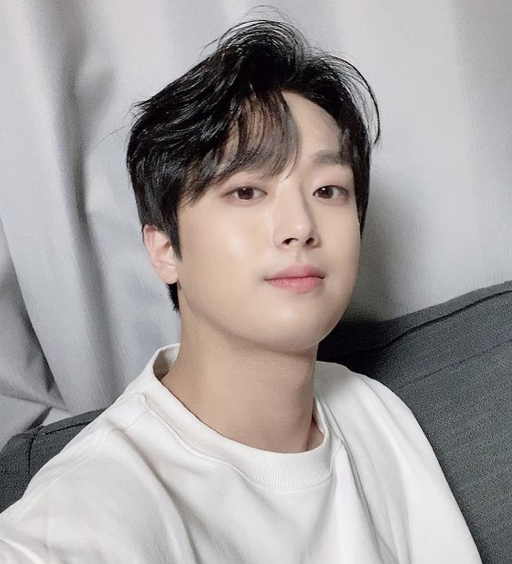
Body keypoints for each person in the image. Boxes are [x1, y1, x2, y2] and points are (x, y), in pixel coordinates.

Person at [0, 18, 482, 563]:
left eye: (328, 189)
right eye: (247, 191)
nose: (300, 226)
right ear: (165, 249)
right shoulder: (86, 514)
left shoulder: (375, 414)